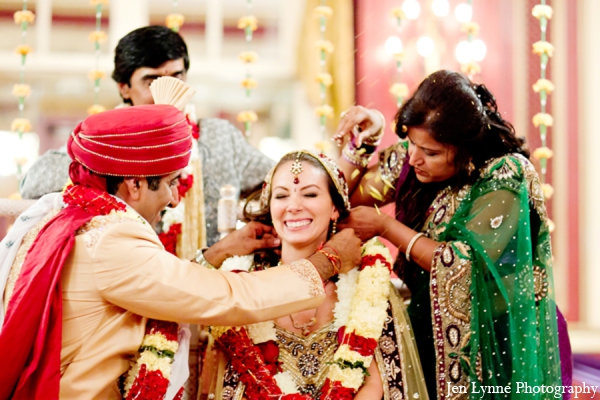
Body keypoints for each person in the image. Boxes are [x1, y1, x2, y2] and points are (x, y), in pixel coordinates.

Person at [0, 105, 361, 399]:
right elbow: (229, 296)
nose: (175, 198)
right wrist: (326, 262)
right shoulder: (111, 239)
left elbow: (162, 282)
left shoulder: (64, 218)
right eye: (172, 182)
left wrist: (218, 251)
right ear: (135, 183)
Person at [332, 70, 563, 399]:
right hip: (426, 335)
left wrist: (386, 227)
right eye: (411, 143)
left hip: (499, 349)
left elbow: (465, 264)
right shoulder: (412, 162)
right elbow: (339, 199)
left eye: (431, 152)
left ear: (465, 148)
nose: (414, 158)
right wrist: (364, 141)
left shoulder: (504, 176)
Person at [201, 151, 428, 400]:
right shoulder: (244, 281)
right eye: (281, 196)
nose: (294, 206)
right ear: (270, 207)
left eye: (310, 194)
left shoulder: (365, 280)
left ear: (335, 208)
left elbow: (375, 383)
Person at [19, 25, 274, 247]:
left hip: (209, 282)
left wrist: (244, 211)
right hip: (130, 278)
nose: (168, 90)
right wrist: (122, 147)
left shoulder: (219, 137)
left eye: (177, 77)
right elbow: (32, 183)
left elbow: (275, 181)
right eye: (151, 81)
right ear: (124, 88)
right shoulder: (102, 141)